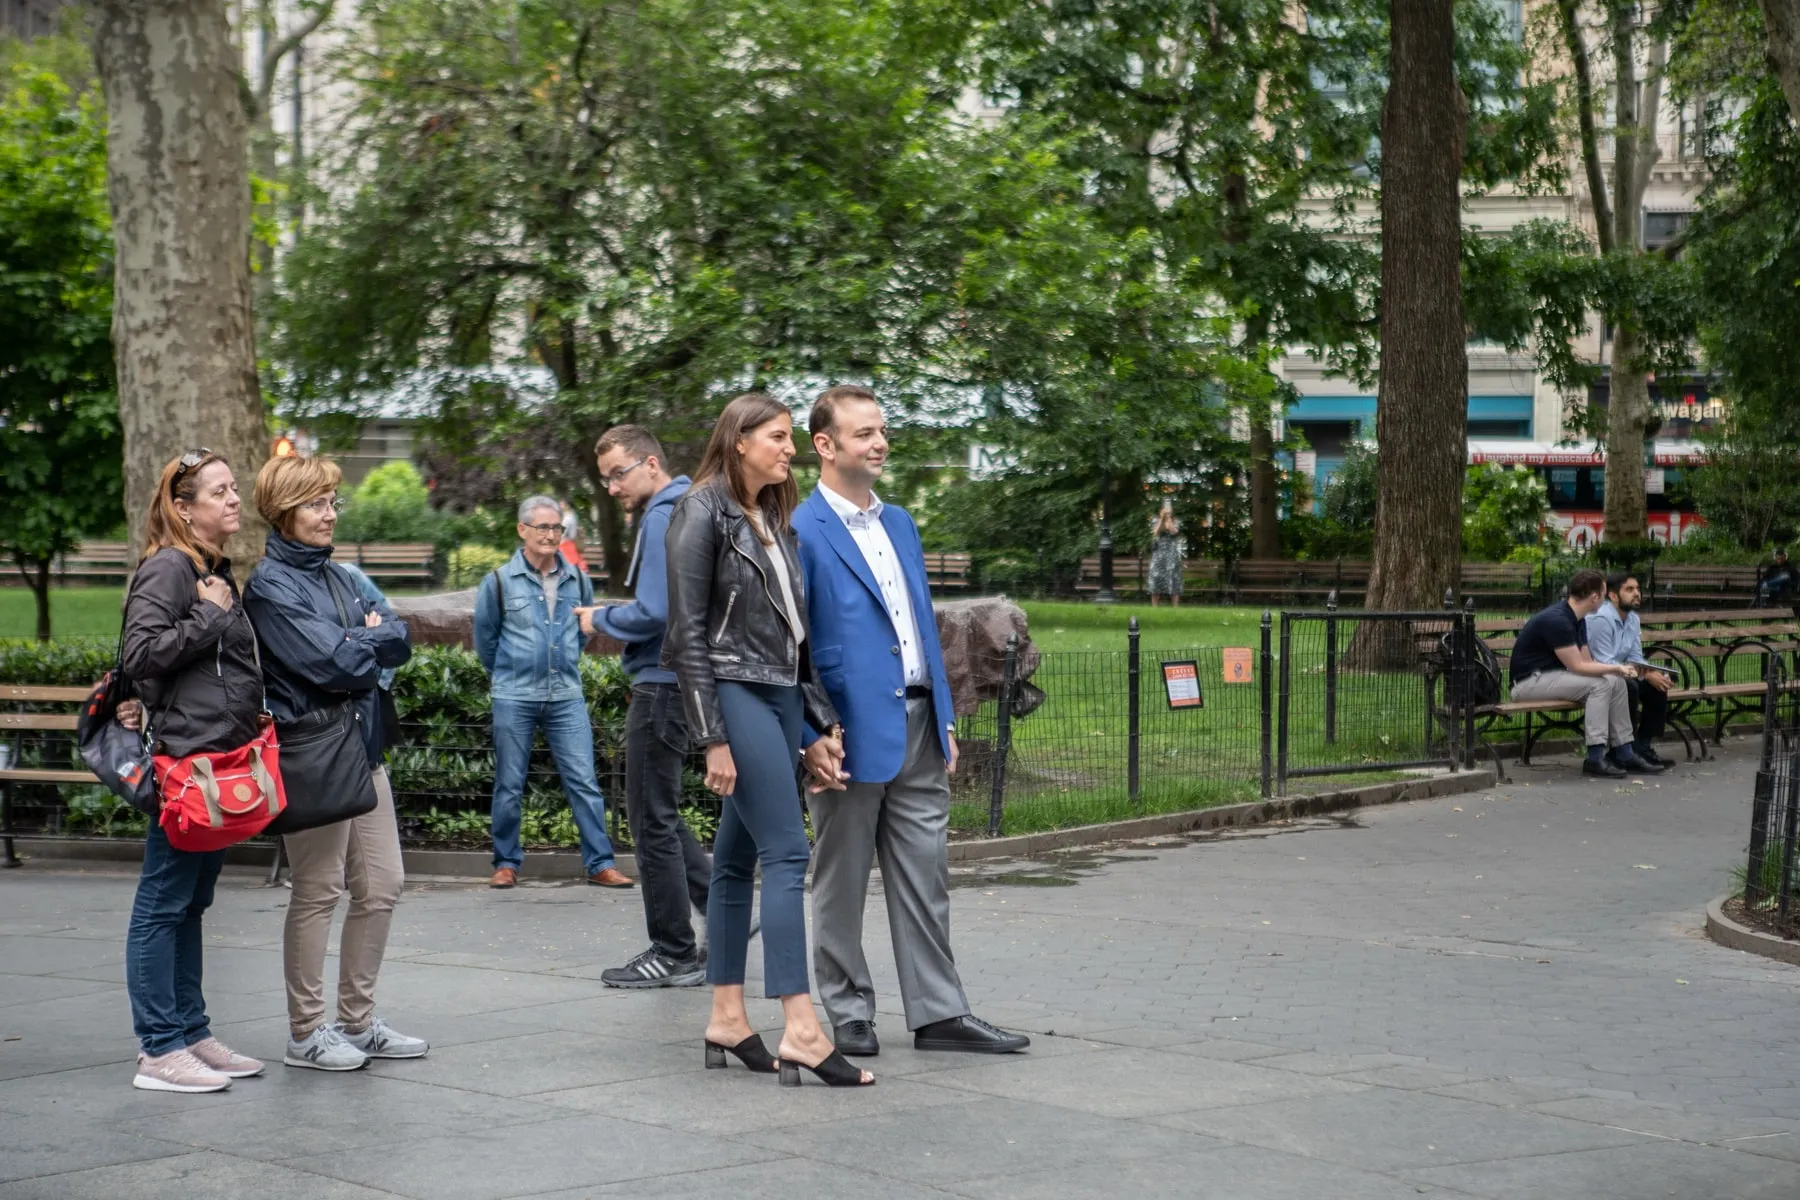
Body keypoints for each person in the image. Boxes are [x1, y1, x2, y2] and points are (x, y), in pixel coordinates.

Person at [795, 385, 1031, 1057]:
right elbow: (796, 645)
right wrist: (811, 734)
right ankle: (849, 1010)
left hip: (923, 724)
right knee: (839, 878)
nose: (880, 442)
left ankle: (938, 1012)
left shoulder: (899, 521)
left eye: (882, 431)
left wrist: (948, 712)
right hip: (846, 734)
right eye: (864, 432)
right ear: (825, 444)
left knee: (926, 874)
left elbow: (922, 625)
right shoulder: (800, 529)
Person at [664, 391, 870, 1087]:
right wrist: (712, 737)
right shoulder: (701, 511)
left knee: (734, 862)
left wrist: (815, 727)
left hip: (779, 697)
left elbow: (794, 639)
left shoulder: (772, 516)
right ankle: (804, 1030)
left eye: (788, 438)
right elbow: (688, 634)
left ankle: (727, 1015)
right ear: (740, 440)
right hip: (733, 693)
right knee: (788, 854)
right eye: (779, 438)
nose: (790, 448)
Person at [243, 455, 428, 1071]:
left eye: (330, 503)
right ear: (284, 512)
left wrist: (365, 640)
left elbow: (397, 637)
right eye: (316, 504)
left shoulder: (341, 577)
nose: (328, 514)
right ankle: (306, 1032)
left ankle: (358, 1020)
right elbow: (334, 665)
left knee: (382, 886)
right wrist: (363, 641)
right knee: (318, 890)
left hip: (363, 745)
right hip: (314, 754)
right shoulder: (271, 586)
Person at [117, 449, 268, 1092]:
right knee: (162, 901)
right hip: (185, 764)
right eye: (219, 491)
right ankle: (158, 1049)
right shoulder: (171, 569)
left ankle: (191, 1033)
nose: (235, 499)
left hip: (220, 760)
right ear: (183, 508)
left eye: (235, 488)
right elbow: (141, 655)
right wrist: (208, 615)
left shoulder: (210, 570)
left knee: (191, 902)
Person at [578, 426, 710, 987]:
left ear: (651, 463)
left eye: (618, 473)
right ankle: (728, 917)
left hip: (660, 683)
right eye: (606, 477)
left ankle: (673, 951)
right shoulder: (696, 504)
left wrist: (598, 618)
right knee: (664, 812)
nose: (611, 487)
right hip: (685, 681)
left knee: (649, 820)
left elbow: (657, 612)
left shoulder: (663, 514)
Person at [473, 496, 633, 889]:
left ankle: (600, 864)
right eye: (542, 527)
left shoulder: (577, 580)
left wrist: (560, 665)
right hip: (514, 695)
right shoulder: (497, 581)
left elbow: (582, 631)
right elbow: (486, 643)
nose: (551, 535)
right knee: (509, 782)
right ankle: (506, 863)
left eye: (557, 528)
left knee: (583, 780)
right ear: (522, 530)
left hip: (566, 695)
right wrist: (513, 672)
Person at [1509, 568, 1664, 779]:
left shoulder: (1578, 619)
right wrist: (1617, 667)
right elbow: (1578, 667)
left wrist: (1615, 673)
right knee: (1600, 685)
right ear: (1594, 597)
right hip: (1529, 682)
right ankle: (1595, 757)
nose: (1605, 600)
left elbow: (1588, 662)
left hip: (1554, 677)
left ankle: (1625, 752)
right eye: (1603, 593)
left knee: (1615, 682)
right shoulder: (1558, 620)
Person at [1586, 572, 1676, 770]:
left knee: (1657, 686)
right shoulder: (1601, 618)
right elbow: (1604, 661)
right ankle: (1621, 752)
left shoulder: (1633, 618)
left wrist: (1650, 672)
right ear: (1613, 596)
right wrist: (1644, 673)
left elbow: (1635, 656)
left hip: (1623, 672)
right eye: (1629, 589)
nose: (1637, 594)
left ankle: (1641, 747)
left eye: (1637, 589)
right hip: (1599, 677)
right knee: (1630, 687)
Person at [1148, 503, 1185, 608]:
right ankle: (1154, 607)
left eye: (1169, 509)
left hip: (1171, 554)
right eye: (1165, 509)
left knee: (1174, 578)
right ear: (1160, 510)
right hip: (1158, 554)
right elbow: (1155, 532)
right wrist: (1161, 519)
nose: (1167, 511)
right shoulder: (1155, 520)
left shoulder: (1176, 521)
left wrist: (1168, 519)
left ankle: (1175, 607)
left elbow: (1174, 532)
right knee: (1156, 578)